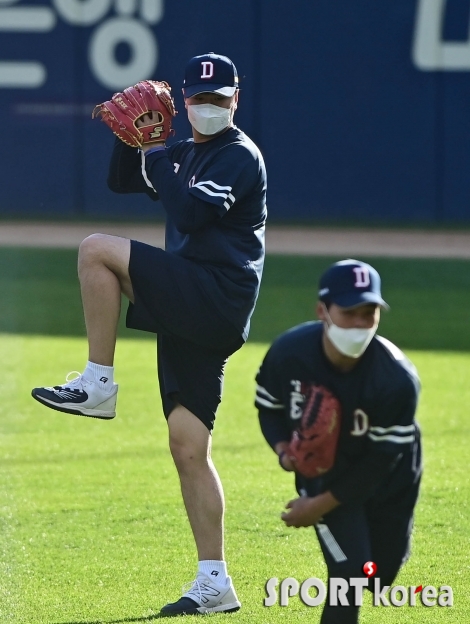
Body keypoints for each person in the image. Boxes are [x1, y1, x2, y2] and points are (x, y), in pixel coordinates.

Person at [32, 52, 267, 616]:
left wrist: (157, 150)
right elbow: (121, 181)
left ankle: (99, 381)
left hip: (213, 293)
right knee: (188, 446)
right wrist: (132, 136)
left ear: (236, 100)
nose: (208, 107)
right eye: (199, 98)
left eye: (218, 98)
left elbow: (187, 215)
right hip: (196, 304)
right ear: (184, 101)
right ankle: (216, 583)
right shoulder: (184, 152)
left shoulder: (238, 156)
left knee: (95, 250)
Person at [255, 259, 421, 624]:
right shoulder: (288, 354)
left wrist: (316, 508)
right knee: (350, 575)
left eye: (370, 313)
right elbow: (269, 408)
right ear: (322, 310)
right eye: (350, 312)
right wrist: (285, 451)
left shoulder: (395, 379)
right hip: (326, 473)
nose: (361, 324)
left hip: (389, 475)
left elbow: (381, 461)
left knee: (378, 577)